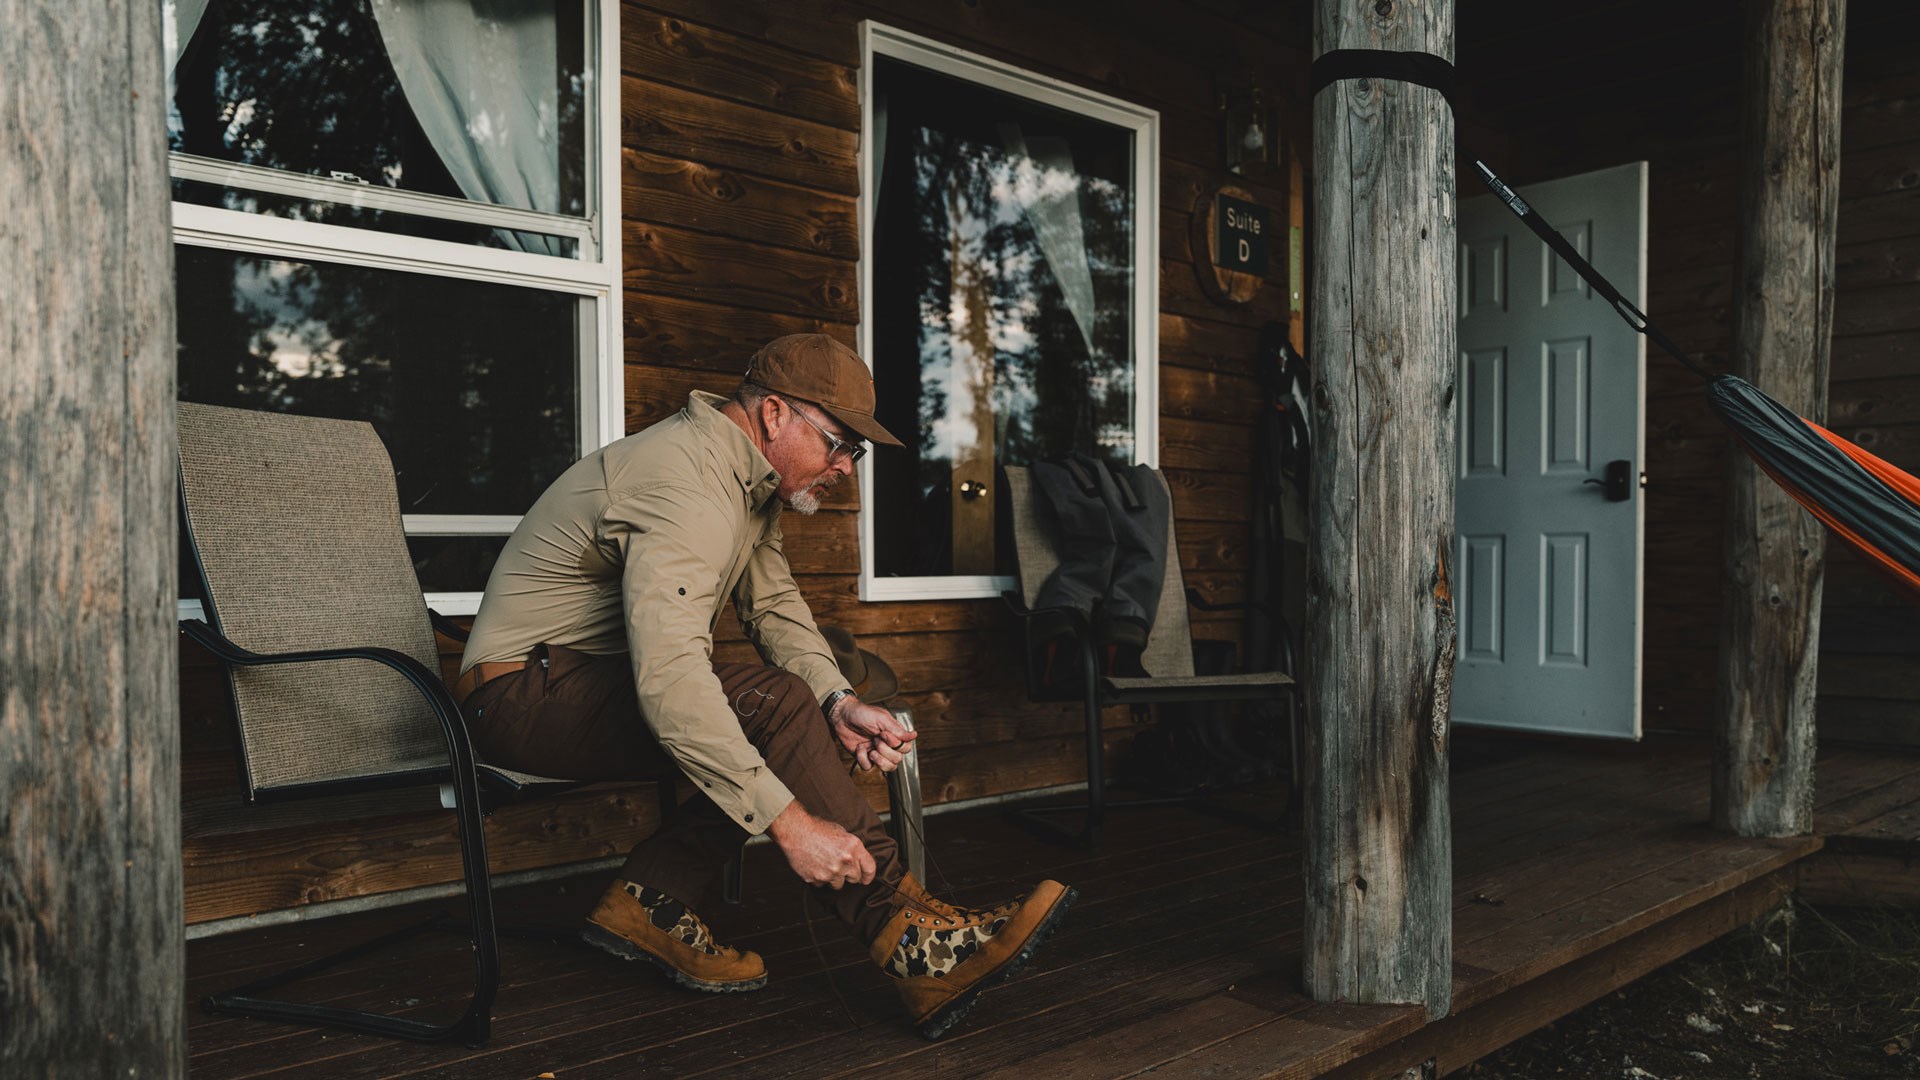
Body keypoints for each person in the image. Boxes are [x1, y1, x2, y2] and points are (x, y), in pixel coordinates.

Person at [455, 333, 1074, 1039]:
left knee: (798, 701)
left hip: (582, 680)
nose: (845, 467)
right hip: (517, 697)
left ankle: (651, 899)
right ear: (775, 414)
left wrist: (839, 703)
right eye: (839, 444)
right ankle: (909, 935)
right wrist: (790, 822)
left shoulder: (745, 484)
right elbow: (670, 682)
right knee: (771, 707)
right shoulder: (685, 484)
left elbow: (775, 609)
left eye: (856, 454)